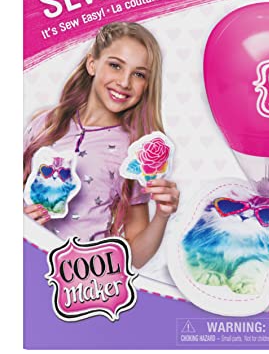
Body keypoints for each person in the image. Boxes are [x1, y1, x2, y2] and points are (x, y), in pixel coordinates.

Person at [23, 22, 179, 268]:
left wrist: (162, 214)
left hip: (84, 279)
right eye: (115, 65)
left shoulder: (134, 153)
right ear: (92, 64)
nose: (124, 82)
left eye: (139, 74)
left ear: (147, 85)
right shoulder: (45, 124)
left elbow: (135, 258)